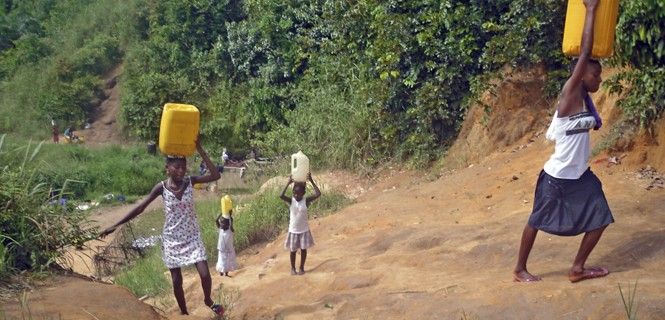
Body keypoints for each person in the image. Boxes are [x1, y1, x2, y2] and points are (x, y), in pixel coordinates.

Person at [513, 0, 614, 283]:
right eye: (596, 74)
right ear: (582, 74)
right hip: (557, 177)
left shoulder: (585, 100)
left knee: (601, 216)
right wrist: (592, 10)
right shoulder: (571, 94)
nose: (599, 79)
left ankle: (578, 268)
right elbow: (584, 51)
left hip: (580, 176)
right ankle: (519, 269)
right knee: (536, 220)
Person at [100, 138, 224, 316]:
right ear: (168, 168)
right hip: (172, 238)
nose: (181, 170)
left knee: (205, 274)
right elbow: (141, 207)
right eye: (177, 167)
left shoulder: (191, 181)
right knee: (176, 280)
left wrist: (200, 149)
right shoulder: (162, 187)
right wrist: (115, 224)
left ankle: (208, 300)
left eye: (183, 167)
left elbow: (215, 175)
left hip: (192, 236)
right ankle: (184, 312)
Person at [279, 173, 321, 275]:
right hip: (293, 230)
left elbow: (318, 194)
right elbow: (281, 195)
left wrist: (311, 180)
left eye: (299, 193)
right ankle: (293, 269)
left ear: (304, 193)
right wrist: (288, 183)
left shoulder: (306, 201)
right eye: (294, 193)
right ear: (293, 192)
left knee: (303, 250)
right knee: (293, 250)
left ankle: (301, 267)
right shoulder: (291, 200)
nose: (296, 195)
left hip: (304, 230)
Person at [215, 211, 237, 277]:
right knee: (221, 260)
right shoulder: (220, 229)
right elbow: (216, 220)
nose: (221, 225)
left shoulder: (230, 230)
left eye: (223, 223)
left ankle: (226, 273)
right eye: (221, 223)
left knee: (227, 261)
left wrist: (229, 215)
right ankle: (221, 273)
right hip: (221, 249)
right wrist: (222, 213)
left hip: (228, 249)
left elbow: (231, 220)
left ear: (228, 224)